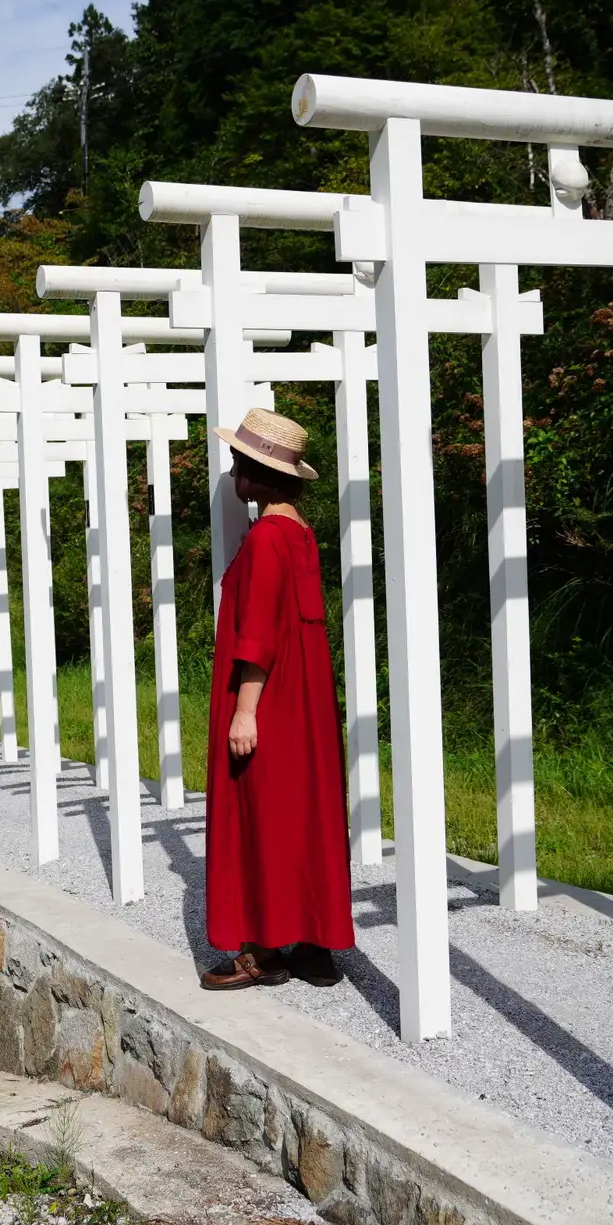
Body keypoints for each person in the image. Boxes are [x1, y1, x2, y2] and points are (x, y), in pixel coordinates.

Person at [200, 407, 355, 991]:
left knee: (260, 813)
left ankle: (263, 951)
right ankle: (315, 943)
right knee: (303, 811)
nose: (235, 469)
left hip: (270, 697)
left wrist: (245, 709)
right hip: (304, 700)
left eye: (241, 462)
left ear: (262, 475)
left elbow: (259, 631)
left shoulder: (266, 537)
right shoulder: (301, 533)